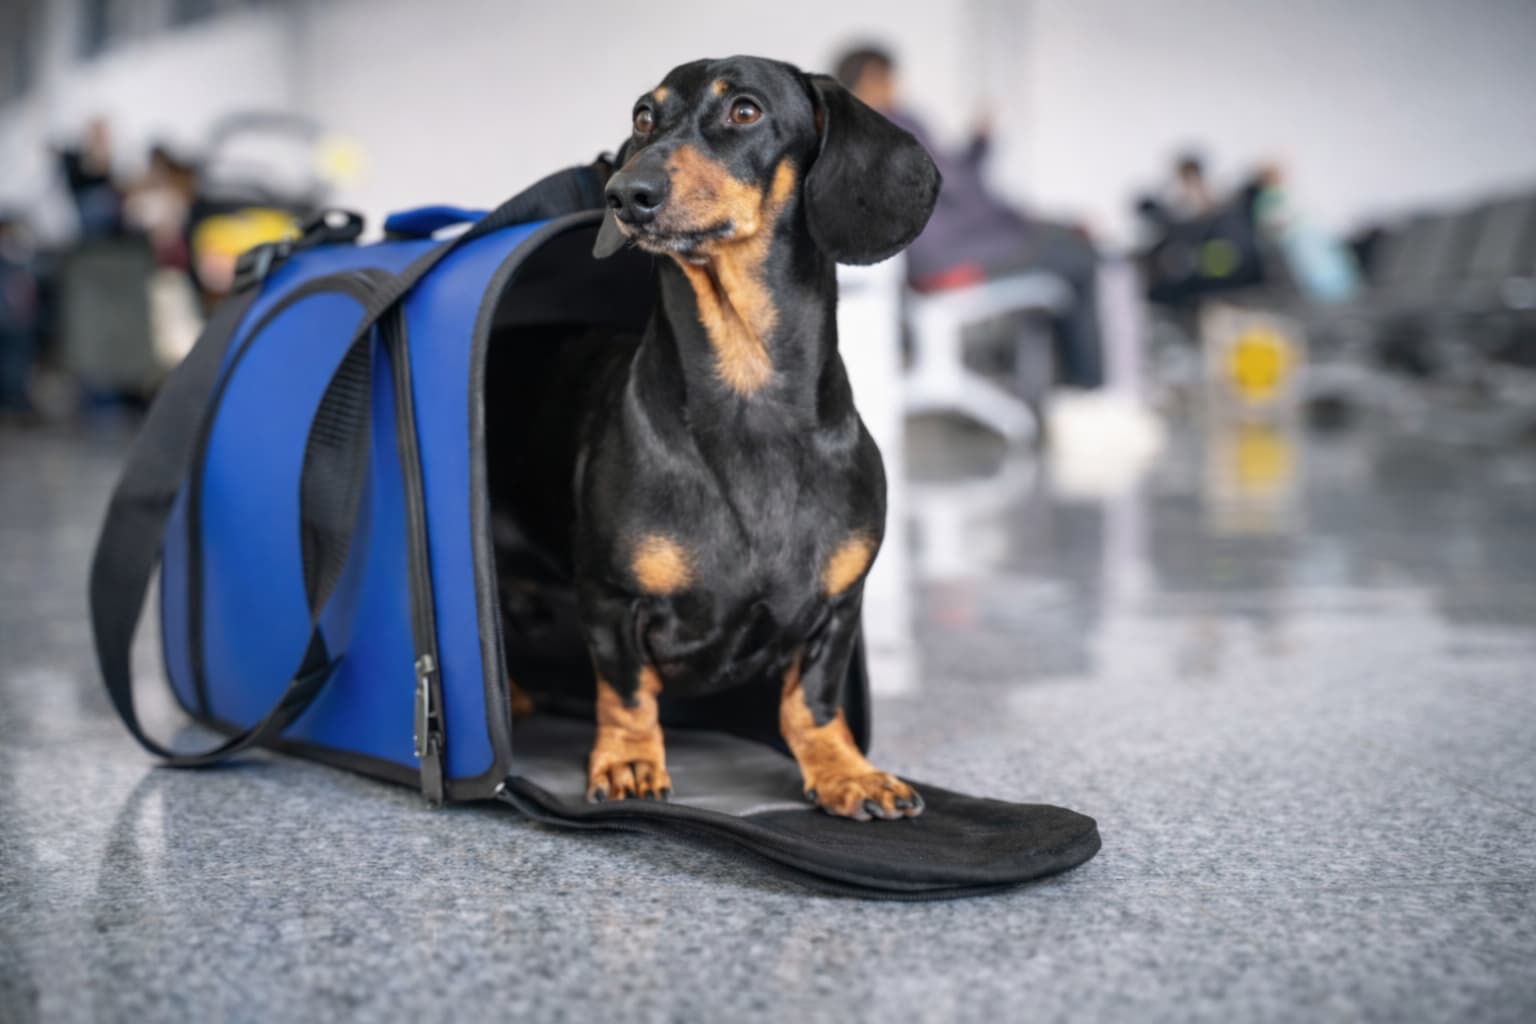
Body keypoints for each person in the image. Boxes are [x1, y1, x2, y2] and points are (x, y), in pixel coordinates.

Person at [834, 45, 1104, 389]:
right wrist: (983, 146)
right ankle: (1088, 389)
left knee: (1057, 238)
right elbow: (959, 186)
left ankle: (1059, 385)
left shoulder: (846, 135)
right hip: (950, 257)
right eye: (890, 80)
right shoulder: (896, 122)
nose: (896, 89)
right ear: (872, 78)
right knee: (1081, 255)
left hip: (916, 262)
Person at [0, 211, 40, 423]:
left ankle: (15, 403)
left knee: (15, 361)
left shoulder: (18, 253)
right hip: (11, 319)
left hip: (15, 319)